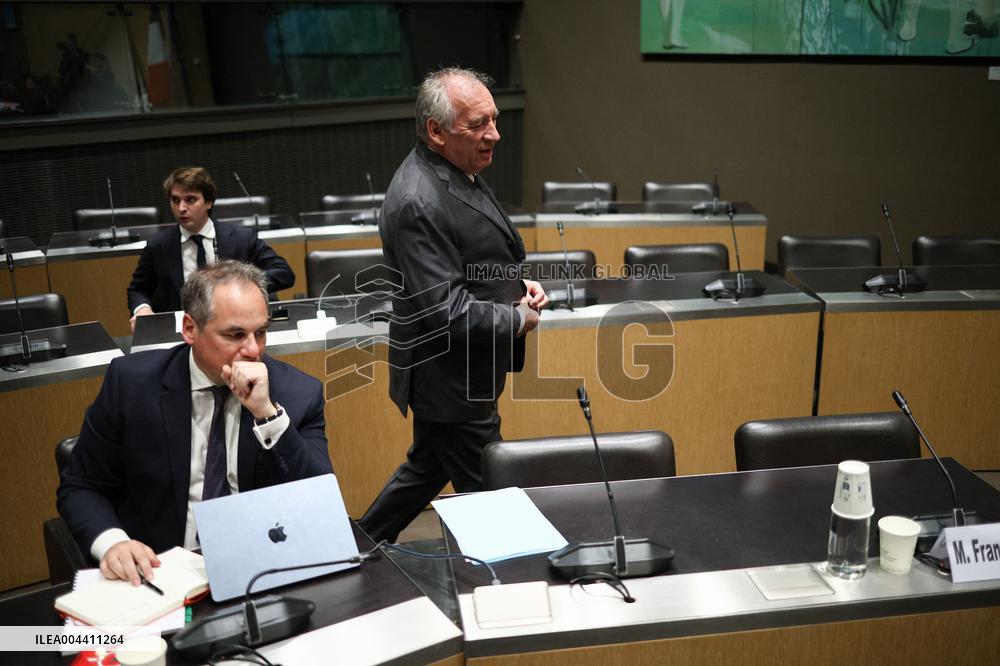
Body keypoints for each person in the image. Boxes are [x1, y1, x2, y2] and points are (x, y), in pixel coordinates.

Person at [358, 67, 548, 543]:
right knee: (496, 499)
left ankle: (354, 550)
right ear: (436, 131)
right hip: (450, 379)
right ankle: (515, 588)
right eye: (478, 124)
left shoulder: (456, 167)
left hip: (466, 371)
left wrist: (514, 282)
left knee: (423, 472)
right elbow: (446, 310)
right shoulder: (418, 200)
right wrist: (518, 317)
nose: (494, 134)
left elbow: (469, 253)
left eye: (495, 119)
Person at [59, 261, 332, 585]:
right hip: (160, 572)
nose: (253, 350)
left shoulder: (298, 394)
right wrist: (113, 543)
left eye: (260, 332)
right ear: (190, 329)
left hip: (261, 567)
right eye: (235, 335)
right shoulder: (132, 384)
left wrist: (267, 415)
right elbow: (81, 486)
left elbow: (319, 503)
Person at [126, 166, 294, 332]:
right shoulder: (159, 246)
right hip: (183, 331)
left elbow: (283, 273)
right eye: (175, 200)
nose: (181, 208)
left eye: (190, 200)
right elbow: (138, 289)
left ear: (208, 202)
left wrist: (240, 284)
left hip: (235, 328)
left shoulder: (242, 238)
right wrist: (142, 309)